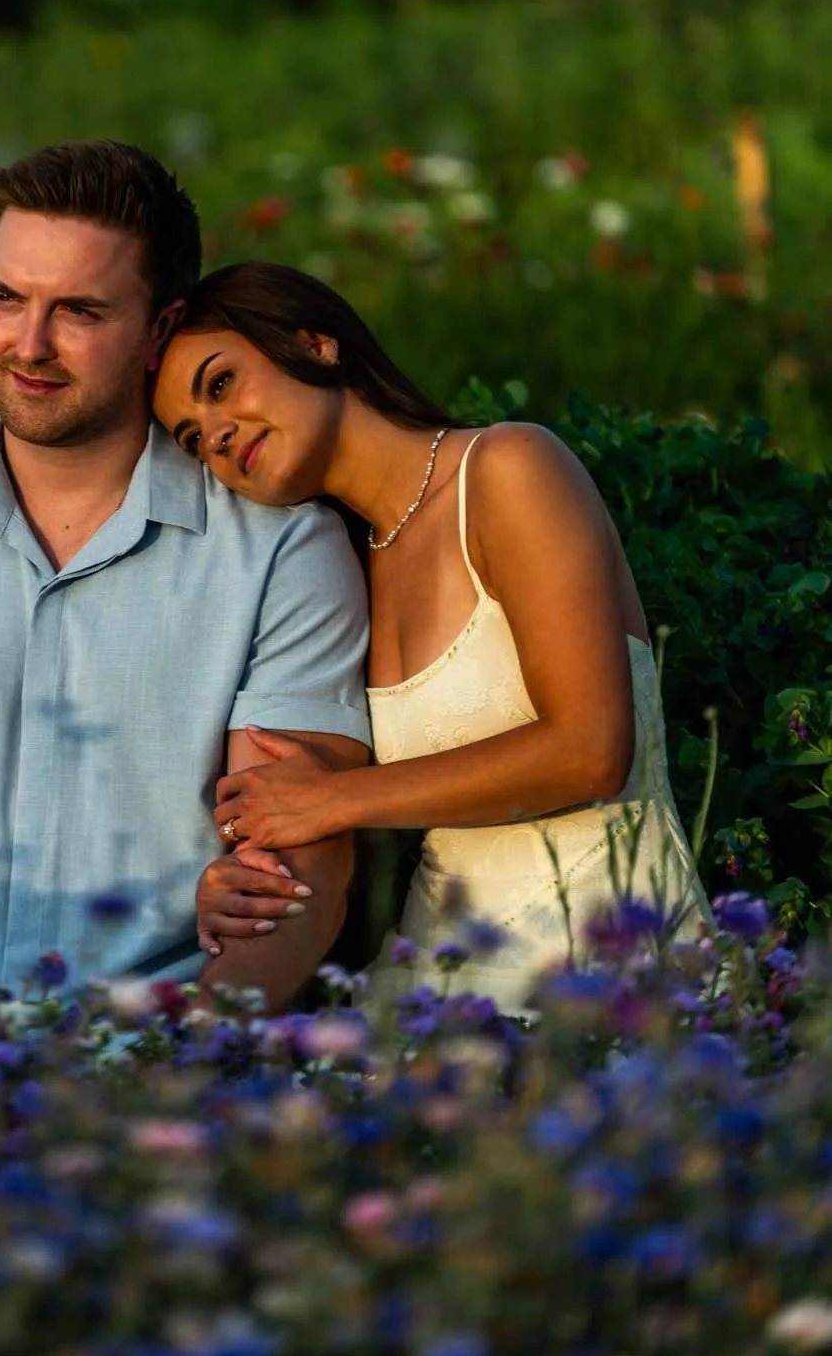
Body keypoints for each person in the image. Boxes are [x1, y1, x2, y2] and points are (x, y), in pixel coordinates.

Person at [0, 143, 371, 1011]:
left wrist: (180, 1060)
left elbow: (292, 874)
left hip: (159, 1048)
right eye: (5, 299)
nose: (29, 345)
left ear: (160, 329)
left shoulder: (279, 553)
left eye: (78, 311)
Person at [152, 261, 712, 1014]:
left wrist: (333, 799)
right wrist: (242, 882)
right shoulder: (342, 571)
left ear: (316, 344)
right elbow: (335, 825)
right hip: (436, 984)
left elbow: (590, 752)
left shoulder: (509, 467)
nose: (216, 436)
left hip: (610, 972)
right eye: (192, 440)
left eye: (220, 384)